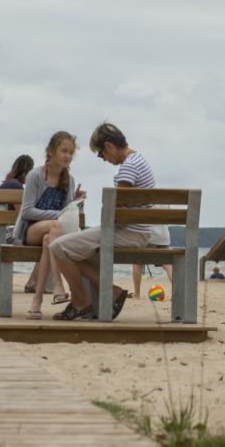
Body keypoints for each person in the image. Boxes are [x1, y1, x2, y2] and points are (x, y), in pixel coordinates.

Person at [48, 122, 156, 321]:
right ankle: (111, 291)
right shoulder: (139, 160)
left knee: (58, 248)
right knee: (75, 248)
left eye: (101, 154)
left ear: (108, 146)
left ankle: (81, 301)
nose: (104, 160)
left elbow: (118, 212)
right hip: (140, 231)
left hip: (128, 233)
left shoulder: (127, 170)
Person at [14, 132, 83, 317]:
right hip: (30, 230)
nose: (67, 156)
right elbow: (27, 211)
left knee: (48, 240)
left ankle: (36, 303)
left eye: (71, 153)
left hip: (53, 233)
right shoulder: (36, 175)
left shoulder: (69, 180)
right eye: (64, 151)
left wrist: (77, 203)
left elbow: (67, 210)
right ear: (51, 151)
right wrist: (59, 215)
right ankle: (58, 284)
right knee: (54, 228)